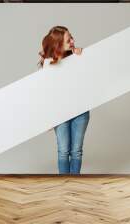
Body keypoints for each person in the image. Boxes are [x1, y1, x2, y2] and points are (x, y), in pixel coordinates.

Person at [38, 26, 90, 174]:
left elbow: (90, 79)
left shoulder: (77, 57)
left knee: (76, 151)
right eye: (69, 39)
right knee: (63, 151)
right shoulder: (48, 63)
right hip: (59, 113)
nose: (73, 41)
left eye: (72, 37)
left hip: (80, 111)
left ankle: (74, 183)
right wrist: (48, 118)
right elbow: (46, 93)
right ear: (58, 43)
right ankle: (63, 185)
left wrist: (82, 57)